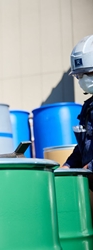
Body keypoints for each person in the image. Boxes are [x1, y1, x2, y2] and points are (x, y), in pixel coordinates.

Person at [62, 34, 93, 189]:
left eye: (87, 73)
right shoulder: (89, 106)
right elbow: (84, 146)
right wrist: (68, 166)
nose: (82, 80)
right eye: (79, 75)